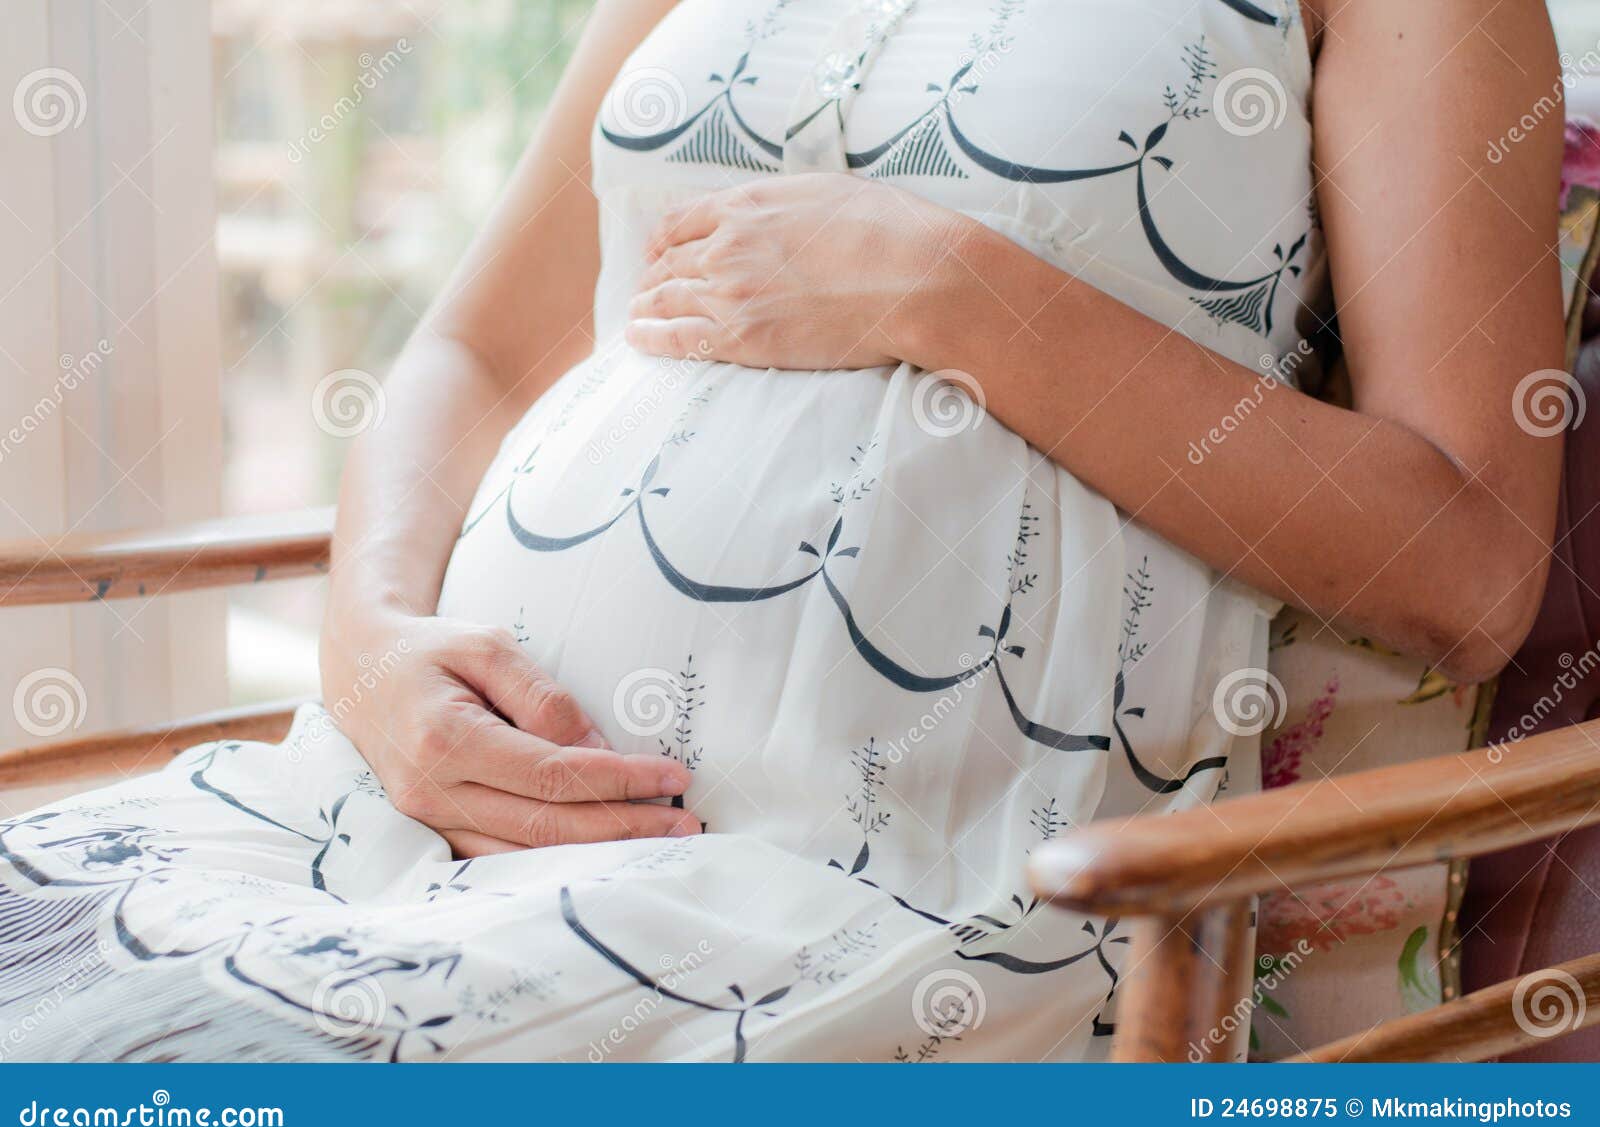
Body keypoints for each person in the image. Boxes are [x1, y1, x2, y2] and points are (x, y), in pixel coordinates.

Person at [0, 0, 1564, 1062]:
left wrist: (952, 292)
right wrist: (371, 657)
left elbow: (1473, 565)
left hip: (887, 904)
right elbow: (468, 350)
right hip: (379, 815)